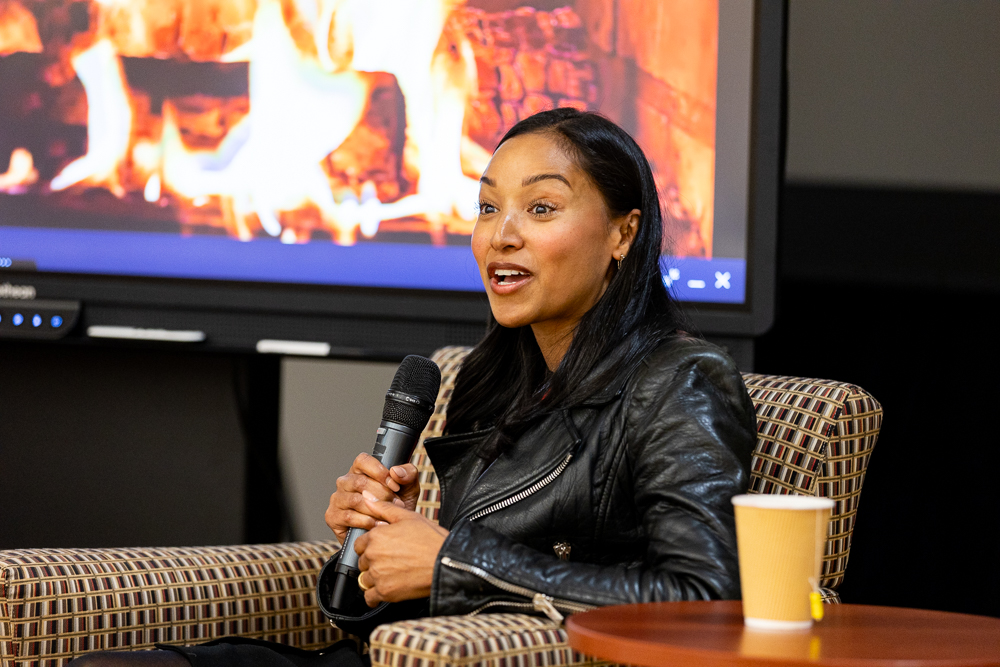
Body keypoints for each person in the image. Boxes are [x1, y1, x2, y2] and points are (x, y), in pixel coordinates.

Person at [73, 108, 757, 667]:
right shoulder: (500, 378)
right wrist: (375, 553)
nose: (502, 235)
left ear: (623, 234)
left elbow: (702, 600)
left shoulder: (683, 380)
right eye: (487, 208)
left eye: (541, 208)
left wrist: (447, 557)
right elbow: (443, 611)